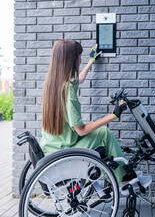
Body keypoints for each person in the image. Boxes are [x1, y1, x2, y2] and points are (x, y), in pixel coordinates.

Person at [40, 39, 127, 183]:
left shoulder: (52, 85)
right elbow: (81, 130)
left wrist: (91, 61)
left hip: (51, 149)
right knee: (104, 133)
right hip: (65, 153)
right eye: (79, 56)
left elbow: (77, 80)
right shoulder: (68, 91)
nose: (80, 60)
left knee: (100, 134)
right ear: (71, 60)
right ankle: (122, 178)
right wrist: (114, 115)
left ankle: (116, 175)